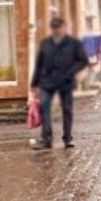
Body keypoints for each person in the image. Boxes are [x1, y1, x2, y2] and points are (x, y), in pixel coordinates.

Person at [30, 15, 89, 149]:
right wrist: (34, 84)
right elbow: (39, 64)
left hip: (65, 81)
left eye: (59, 27)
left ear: (64, 27)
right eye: (54, 28)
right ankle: (46, 139)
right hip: (47, 81)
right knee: (44, 108)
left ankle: (67, 138)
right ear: (51, 29)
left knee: (67, 110)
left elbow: (83, 60)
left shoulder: (73, 43)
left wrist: (71, 71)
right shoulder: (46, 43)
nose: (57, 30)